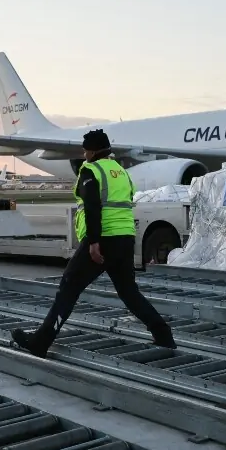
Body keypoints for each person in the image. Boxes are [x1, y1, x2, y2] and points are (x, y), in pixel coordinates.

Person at [10, 129, 177, 358]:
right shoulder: (121, 171)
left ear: (92, 150)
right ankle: (164, 335)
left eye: (85, 149)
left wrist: (94, 242)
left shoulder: (90, 170)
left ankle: (40, 341)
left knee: (69, 287)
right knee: (129, 292)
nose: (84, 153)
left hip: (102, 239)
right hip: (126, 238)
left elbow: (92, 206)